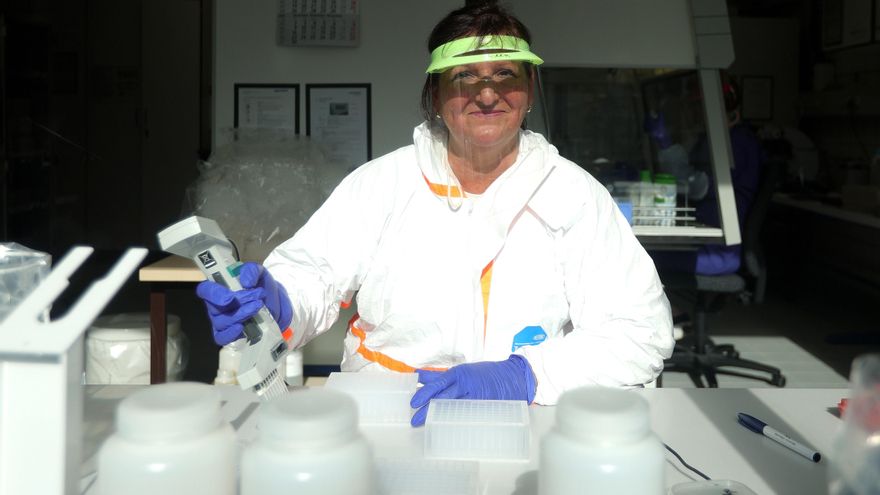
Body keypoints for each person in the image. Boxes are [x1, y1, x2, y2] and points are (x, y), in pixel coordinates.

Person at [196, 0, 674, 427]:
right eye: (465, 77)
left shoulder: (573, 194)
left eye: (506, 74)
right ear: (435, 94)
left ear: (530, 89)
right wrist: (277, 303)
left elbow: (639, 332)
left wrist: (526, 377)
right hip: (388, 416)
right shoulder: (384, 183)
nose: (488, 95)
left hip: (530, 420)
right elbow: (314, 274)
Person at [647, 77, 764, 275]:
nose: (696, 113)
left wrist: (666, 145)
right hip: (702, 239)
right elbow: (688, 173)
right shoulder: (713, 139)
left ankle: (670, 307)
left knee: (642, 258)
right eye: (695, 106)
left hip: (720, 252)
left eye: (700, 106)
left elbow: (697, 187)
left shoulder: (739, 142)